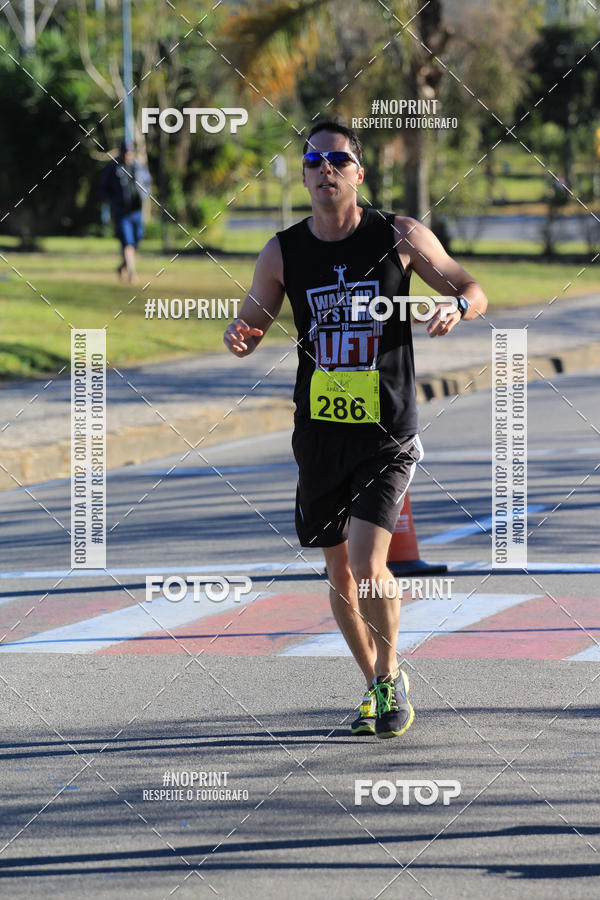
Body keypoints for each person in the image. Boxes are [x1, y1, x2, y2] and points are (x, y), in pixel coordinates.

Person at [223, 120, 488, 739]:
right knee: (338, 571)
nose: (325, 171)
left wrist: (456, 305)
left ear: (358, 173)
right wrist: (241, 335)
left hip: (386, 430)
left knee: (370, 567)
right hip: (318, 432)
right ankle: (374, 682)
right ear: (305, 173)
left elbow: (472, 287)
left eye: (337, 160)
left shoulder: (398, 236)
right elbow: (253, 319)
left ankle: (391, 677)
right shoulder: (283, 251)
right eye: (313, 161)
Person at [100, 139, 151, 283]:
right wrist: (112, 201)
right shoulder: (112, 168)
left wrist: (145, 195)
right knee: (127, 242)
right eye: (125, 152)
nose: (127, 155)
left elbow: (147, 184)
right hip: (121, 211)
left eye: (130, 152)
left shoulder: (139, 168)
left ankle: (123, 266)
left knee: (135, 241)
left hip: (136, 211)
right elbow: (103, 189)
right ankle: (132, 273)